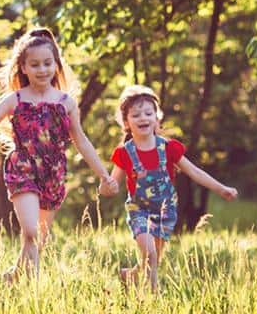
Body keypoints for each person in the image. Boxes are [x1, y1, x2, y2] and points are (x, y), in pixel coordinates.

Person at [0, 27, 118, 281]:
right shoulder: (15, 100)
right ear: (23, 67)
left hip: (53, 173)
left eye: (47, 63)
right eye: (35, 65)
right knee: (30, 230)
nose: (42, 70)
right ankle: (32, 289)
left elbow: (81, 140)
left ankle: (15, 276)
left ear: (56, 65)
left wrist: (103, 175)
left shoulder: (66, 103)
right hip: (23, 169)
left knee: (39, 238)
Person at [99, 85, 238, 291]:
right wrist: (105, 187)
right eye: (136, 115)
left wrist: (221, 189)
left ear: (157, 118)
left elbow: (195, 172)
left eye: (148, 113)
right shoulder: (124, 153)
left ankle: (130, 275)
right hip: (139, 211)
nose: (143, 118)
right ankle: (153, 300)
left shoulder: (169, 148)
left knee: (152, 260)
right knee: (150, 255)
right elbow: (111, 186)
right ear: (126, 122)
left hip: (166, 211)